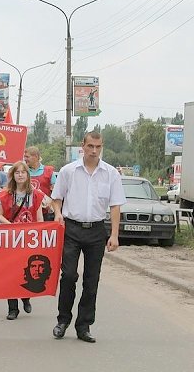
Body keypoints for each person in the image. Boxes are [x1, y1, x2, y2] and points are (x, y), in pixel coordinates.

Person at [51, 131, 126, 343]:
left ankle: (84, 325)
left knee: (91, 280)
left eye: (98, 147)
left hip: (96, 230)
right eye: (90, 146)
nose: (94, 151)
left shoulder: (110, 173)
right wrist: (58, 213)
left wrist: (114, 235)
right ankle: (63, 320)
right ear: (82, 146)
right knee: (69, 276)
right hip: (72, 229)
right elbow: (57, 198)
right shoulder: (68, 171)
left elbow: (115, 205)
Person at [0, 161, 45, 320]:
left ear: (27, 174)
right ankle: (12, 308)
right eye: (17, 172)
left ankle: (25, 297)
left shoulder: (36, 195)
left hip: (29, 239)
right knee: (11, 272)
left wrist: (40, 233)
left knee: (27, 271)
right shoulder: (5, 194)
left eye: (23, 172)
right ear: (13, 175)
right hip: (11, 239)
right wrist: (10, 226)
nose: (20, 175)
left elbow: (39, 216)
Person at [24, 146, 55, 221]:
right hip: (27, 212)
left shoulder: (48, 171)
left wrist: (51, 204)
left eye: (27, 157)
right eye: (25, 157)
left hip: (45, 212)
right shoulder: (23, 171)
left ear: (35, 157)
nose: (25, 159)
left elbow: (55, 192)